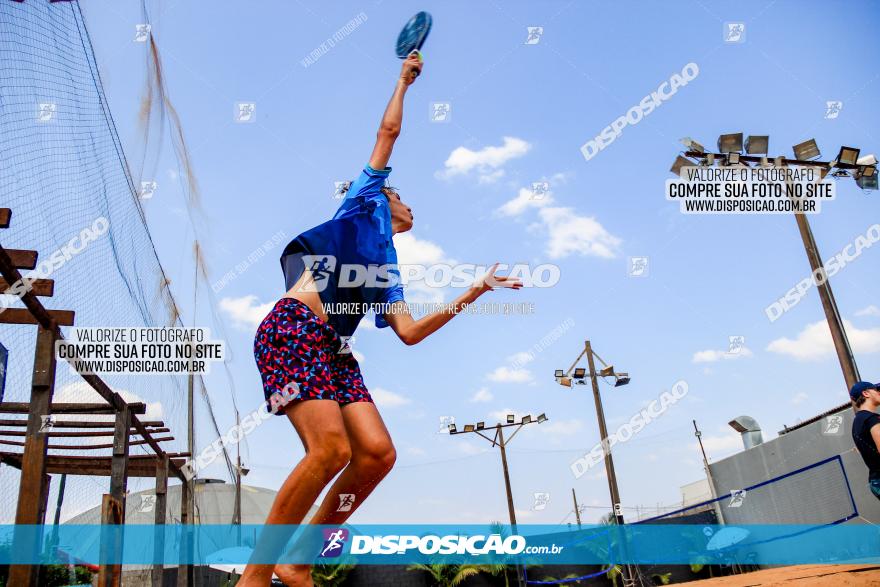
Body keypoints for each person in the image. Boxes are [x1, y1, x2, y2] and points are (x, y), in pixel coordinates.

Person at [239, 52, 522, 587]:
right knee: (330, 450)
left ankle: (297, 557)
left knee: (376, 454)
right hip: (294, 329)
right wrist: (404, 82)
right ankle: (254, 578)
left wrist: (476, 290)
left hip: (334, 352)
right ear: (385, 197)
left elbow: (410, 333)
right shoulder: (361, 205)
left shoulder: (387, 268)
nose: (410, 204)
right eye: (404, 196)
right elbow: (387, 133)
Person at [850, 381, 880, 500]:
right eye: (876, 390)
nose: (879, 393)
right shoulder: (871, 419)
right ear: (866, 393)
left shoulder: (857, 422)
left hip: (875, 480)